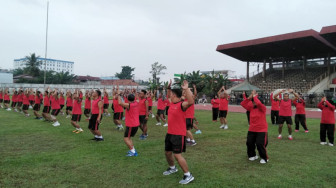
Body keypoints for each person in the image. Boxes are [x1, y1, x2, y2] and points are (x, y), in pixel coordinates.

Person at [163, 80, 194, 185]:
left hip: (178, 134)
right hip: (170, 133)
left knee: (177, 155)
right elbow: (168, 94)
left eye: (171, 94)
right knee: (167, 152)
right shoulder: (172, 103)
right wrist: (168, 88)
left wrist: (186, 89)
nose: (169, 95)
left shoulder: (182, 105)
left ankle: (188, 175)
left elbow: (191, 102)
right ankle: (172, 168)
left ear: (175, 95)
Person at [241, 90, 269, 164]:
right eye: (253, 102)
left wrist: (254, 96)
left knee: (260, 144)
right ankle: (252, 155)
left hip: (261, 129)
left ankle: (264, 157)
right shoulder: (251, 108)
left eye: (254, 101)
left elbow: (259, 103)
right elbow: (243, 103)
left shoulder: (262, 108)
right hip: (252, 128)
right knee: (249, 142)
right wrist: (250, 97)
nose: (253, 103)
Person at [117, 87, 140, 156]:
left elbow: (120, 103)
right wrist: (135, 92)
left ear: (127, 99)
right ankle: (132, 150)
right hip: (135, 124)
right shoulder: (136, 102)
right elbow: (137, 98)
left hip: (131, 125)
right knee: (129, 138)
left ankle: (133, 152)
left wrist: (118, 94)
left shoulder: (129, 105)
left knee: (126, 138)